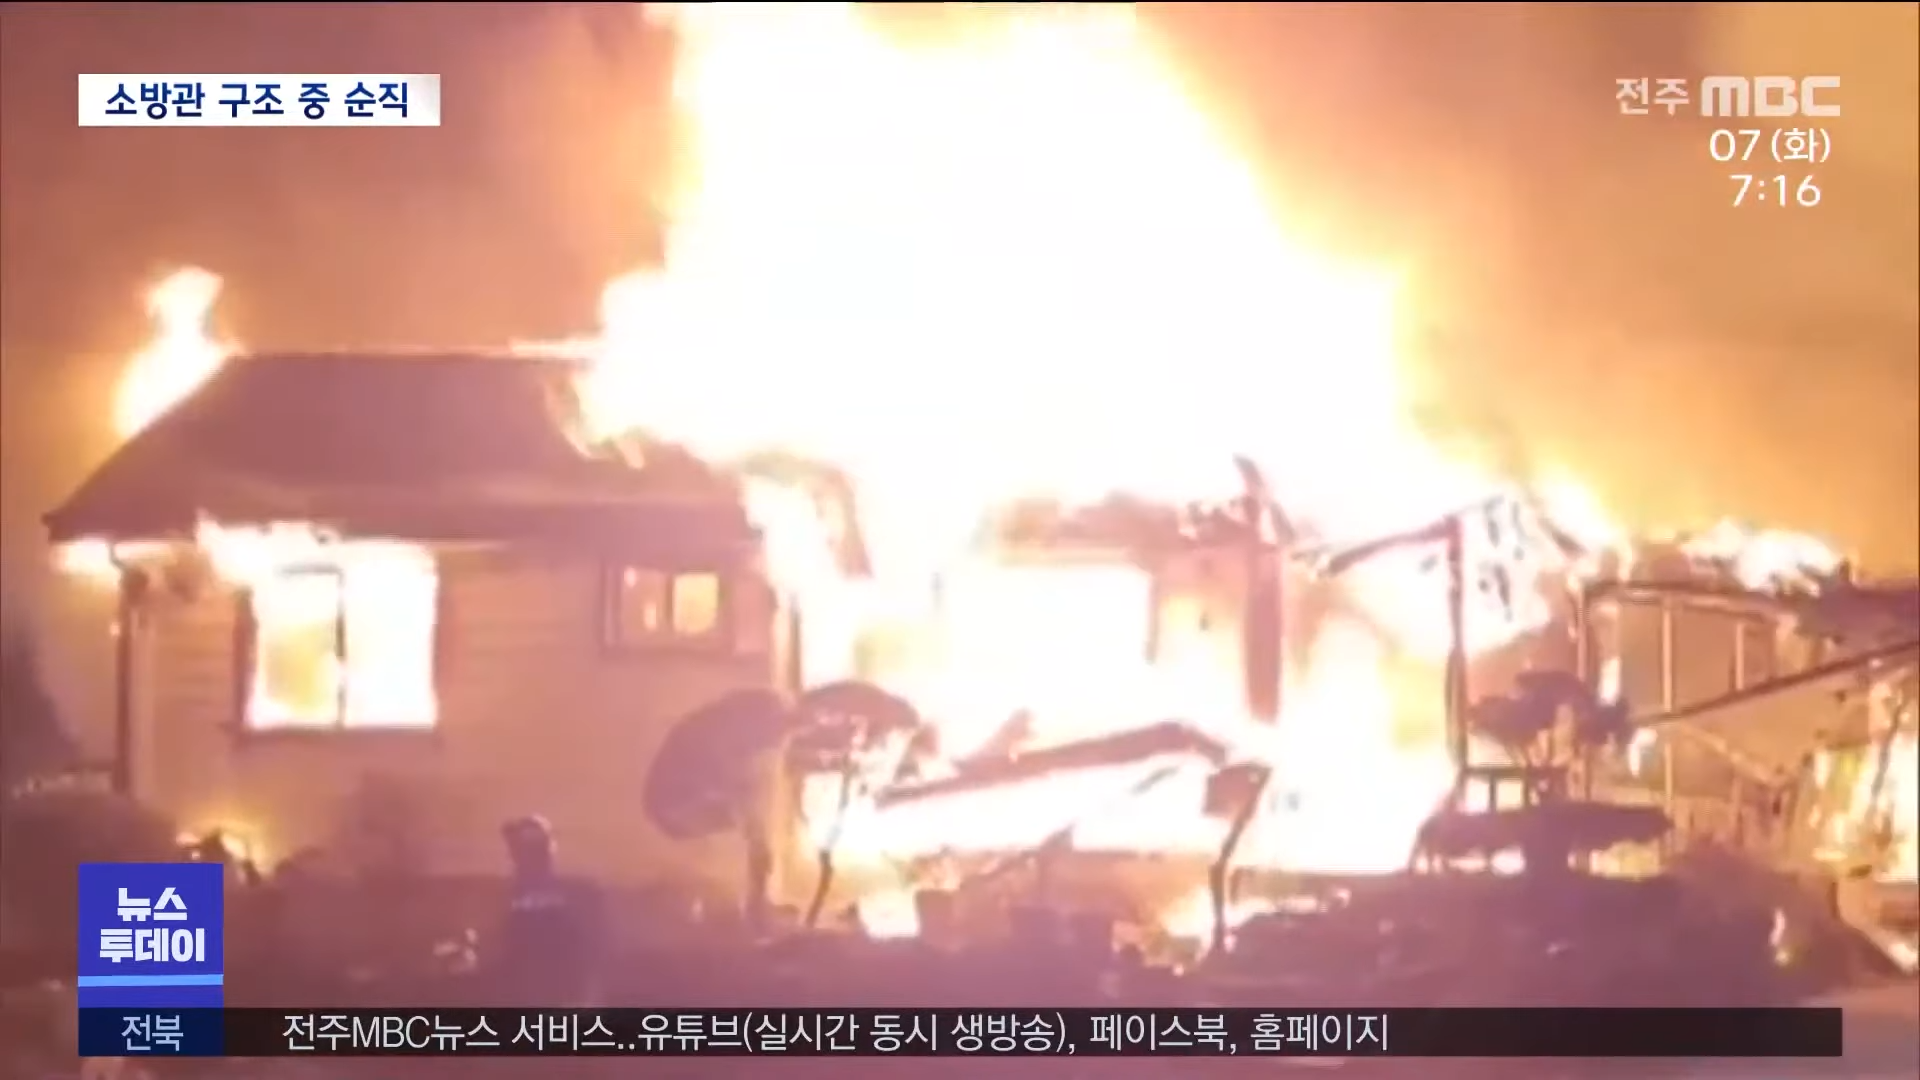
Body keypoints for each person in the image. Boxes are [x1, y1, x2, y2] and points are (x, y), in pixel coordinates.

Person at [492, 816, 607, 1004]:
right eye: (522, 849)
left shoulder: (577, 893)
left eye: (534, 848)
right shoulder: (504, 895)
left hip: (560, 992)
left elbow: (595, 951)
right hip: (523, 992)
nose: (527, 856)